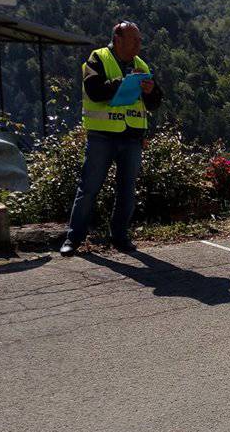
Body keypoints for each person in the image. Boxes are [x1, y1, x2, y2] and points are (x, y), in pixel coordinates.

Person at [60, 21, 163, 256]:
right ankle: (73, 239)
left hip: (132, 137)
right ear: (118, 39)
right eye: (134, 39)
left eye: (139, 39)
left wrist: (150, 91)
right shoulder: (98, 58)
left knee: (127, 189)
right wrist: (124, 83)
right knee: (89, 188)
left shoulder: (141, 64)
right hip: (102, 136)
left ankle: (120, 237)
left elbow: (155, 102)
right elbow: (94, 90)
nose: (139, 43)